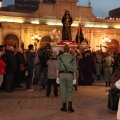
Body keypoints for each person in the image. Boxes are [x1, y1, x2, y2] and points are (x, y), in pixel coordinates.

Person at [56, 44, 77, 112]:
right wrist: (74, 78)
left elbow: (57, 69)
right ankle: (70, 107)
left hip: (61, 75)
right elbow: (74, 69)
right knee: (70, 91)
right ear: (69, 50)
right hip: (70, 76)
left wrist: (57, 77)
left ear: (63, 50)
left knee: (63, 91)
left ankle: (64, 107)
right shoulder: (73, 58)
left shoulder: (59, 57)